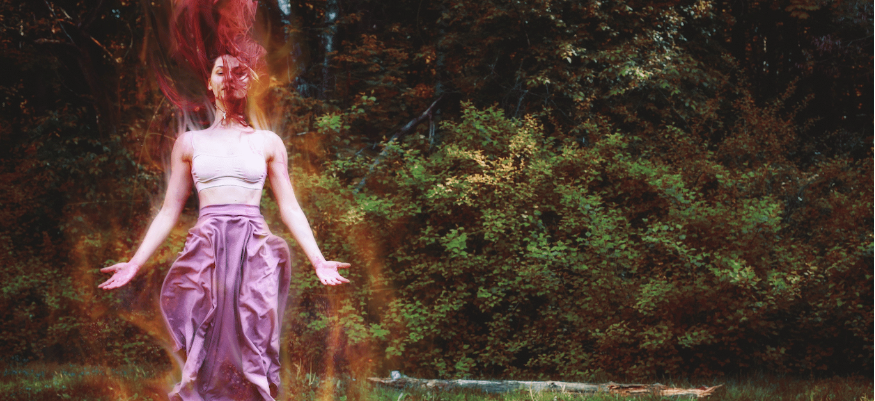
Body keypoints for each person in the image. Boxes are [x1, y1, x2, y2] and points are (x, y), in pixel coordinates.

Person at [98, 51, 350, 400]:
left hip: (254, 249)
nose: (229, 78)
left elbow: (290, 207)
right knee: (205, 336)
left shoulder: (268, 142)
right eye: (220, 71)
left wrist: (319, 260)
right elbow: (169, 211)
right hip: (207, 250)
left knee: (253, 335)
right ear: (210, 82)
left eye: (238, 72)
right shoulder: (190, 142)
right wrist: (134, 263)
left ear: (250, 83)